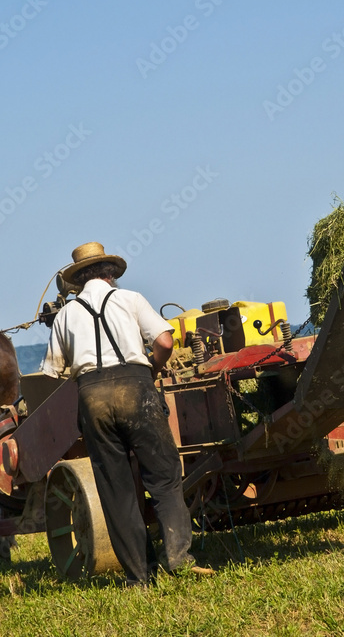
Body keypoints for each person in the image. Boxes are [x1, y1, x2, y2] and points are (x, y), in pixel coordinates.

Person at [40, 241, 212, 586]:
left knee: (116, 490)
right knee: (163, 476)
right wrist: (151, 369)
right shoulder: (130, 299)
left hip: (92, 397)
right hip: (136, 389)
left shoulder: (66, 314)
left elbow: (52, 371)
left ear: (78, 280)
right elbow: (165, 341)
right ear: (110, 274)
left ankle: (139, 577)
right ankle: (178, 557)